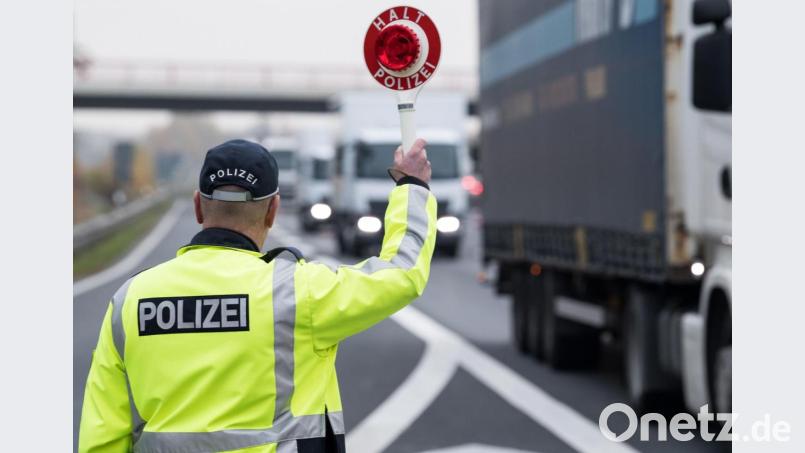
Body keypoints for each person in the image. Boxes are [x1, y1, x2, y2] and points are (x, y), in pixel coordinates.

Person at [79, 138, 436, 453]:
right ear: (273, 210)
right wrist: (412, 187)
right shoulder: (298, 293)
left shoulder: (132, 300)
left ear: (198, 206)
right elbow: (401, 272)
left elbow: (102, 435)